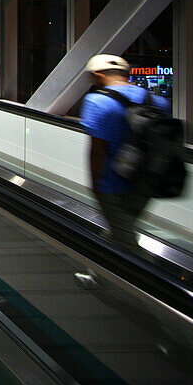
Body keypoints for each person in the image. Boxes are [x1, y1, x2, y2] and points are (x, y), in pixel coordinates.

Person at [79, 53, 169, 253]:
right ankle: (95, 273)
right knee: (119, 229)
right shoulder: (157, 102)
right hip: (146, 183)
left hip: (113, 183)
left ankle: (153, 280)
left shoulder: (96, 101)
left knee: (125, 240)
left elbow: (97, 151)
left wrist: (95, 183)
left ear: (97, 75)